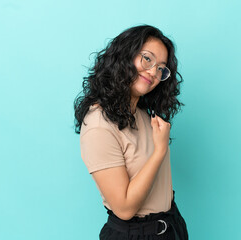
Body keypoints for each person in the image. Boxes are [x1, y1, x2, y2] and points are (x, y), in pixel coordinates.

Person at [74, 25, 188, 240]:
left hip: (170, 227)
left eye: (161, 68)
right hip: (135, 234)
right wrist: (159, 150)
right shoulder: (98, 123)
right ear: (125, 56)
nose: (153, 71)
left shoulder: (145, 116)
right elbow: (124, 208)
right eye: (147, 59)